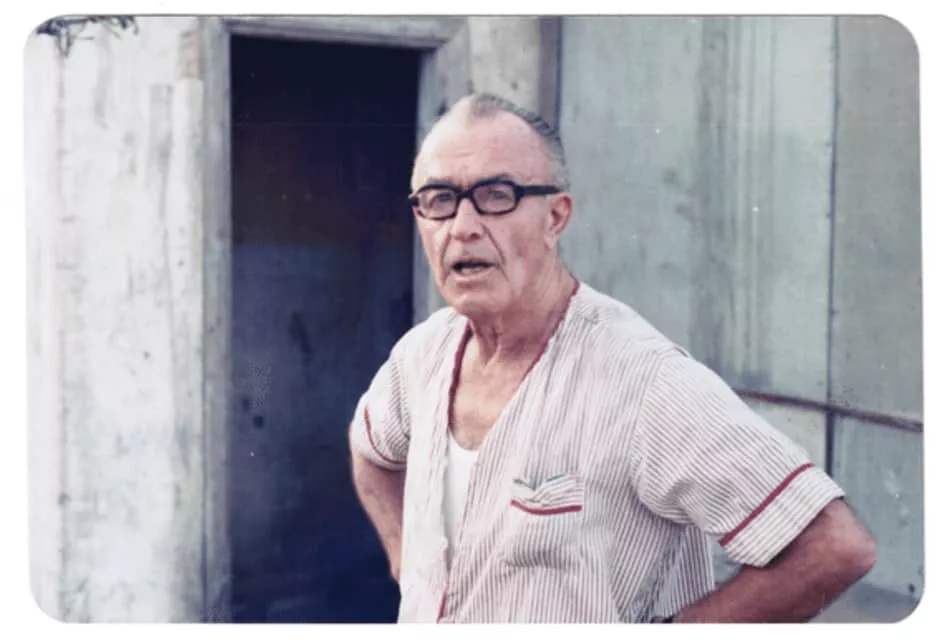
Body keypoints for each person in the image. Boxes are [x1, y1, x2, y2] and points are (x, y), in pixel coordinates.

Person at [348, 92, 876, 623]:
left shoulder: (643, 381)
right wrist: (408, 562)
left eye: (496, 195)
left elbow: (833, 547)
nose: (462, 226)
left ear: (555, 218)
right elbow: (370, 449)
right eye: (440, 199)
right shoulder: (422, 354)